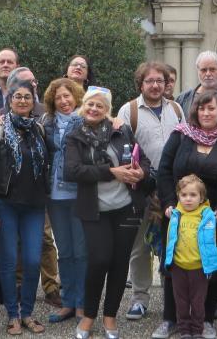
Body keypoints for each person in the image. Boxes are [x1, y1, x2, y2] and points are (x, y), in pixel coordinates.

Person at [158, 91, 217, 339]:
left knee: (211, 269)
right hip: (179, 217)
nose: (206, 113)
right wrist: (169, 202)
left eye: (211, 109)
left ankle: (206, 320)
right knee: (174, 268)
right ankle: (171, 320)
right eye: (201, 109)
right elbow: (165, 170)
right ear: (195, 112)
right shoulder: (181, 135)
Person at [65, 86, 154, 339]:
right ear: (84, 107)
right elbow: (72, 171)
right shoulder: (75, 136)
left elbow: (143, 160)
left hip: (126, 207)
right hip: (95, 210)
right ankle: (89, 316)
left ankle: (110, 317)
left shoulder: (121, 130)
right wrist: (111, 172)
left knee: (119, 262)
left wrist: (141, 173)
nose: (94, 109)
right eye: (90, 105)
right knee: (99, 260)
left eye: (100, 106)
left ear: (107, 110)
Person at [0, 75, 51, 336]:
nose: (22, 100)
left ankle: (28, 312)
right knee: (9, 261)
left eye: (27, 97)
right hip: (5, 205)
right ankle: (12, 314)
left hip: (34, 206)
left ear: (34, 101)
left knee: (33, 261)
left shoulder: (40, 129)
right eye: (17, 96)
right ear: (9, 100)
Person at [115, 62, 185, 323]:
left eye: (160, 81)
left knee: (172, 244)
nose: (155, 85)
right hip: (141, 189)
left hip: (173, 189)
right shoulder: (129, 110)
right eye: (149, 81)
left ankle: (174, 299)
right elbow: (121, 148)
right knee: (139, 246)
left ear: (167, 83)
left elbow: (185, 143)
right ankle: (140, 298)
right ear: (141, 84)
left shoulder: (176, 109)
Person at [42, 78, 86, 324]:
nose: (64, 101)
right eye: (58, 97)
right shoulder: (46, 123)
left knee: (81, 252)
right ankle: (68, 302)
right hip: (54, 196)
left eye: (67, 96)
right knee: (65, 252)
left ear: (75, 96)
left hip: (79, 194)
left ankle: (82, 304)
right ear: (52, 100)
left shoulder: (84, 121)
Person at [164, 175, 217, 339]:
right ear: (178, 196)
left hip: (199, 267)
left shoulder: (206, 215)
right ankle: (184, 330)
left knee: (197, 302)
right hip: (178, 266)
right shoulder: (176, 214)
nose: (188, 199)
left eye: (193, 195)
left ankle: (197, 330)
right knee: (181, 301)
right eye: (184, 195)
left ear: (201, 197)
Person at [176, 51, 217, 115]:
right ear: (198, 71)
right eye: (203, 70)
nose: (208, 74)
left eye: (212, 69)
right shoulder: (183, 99)